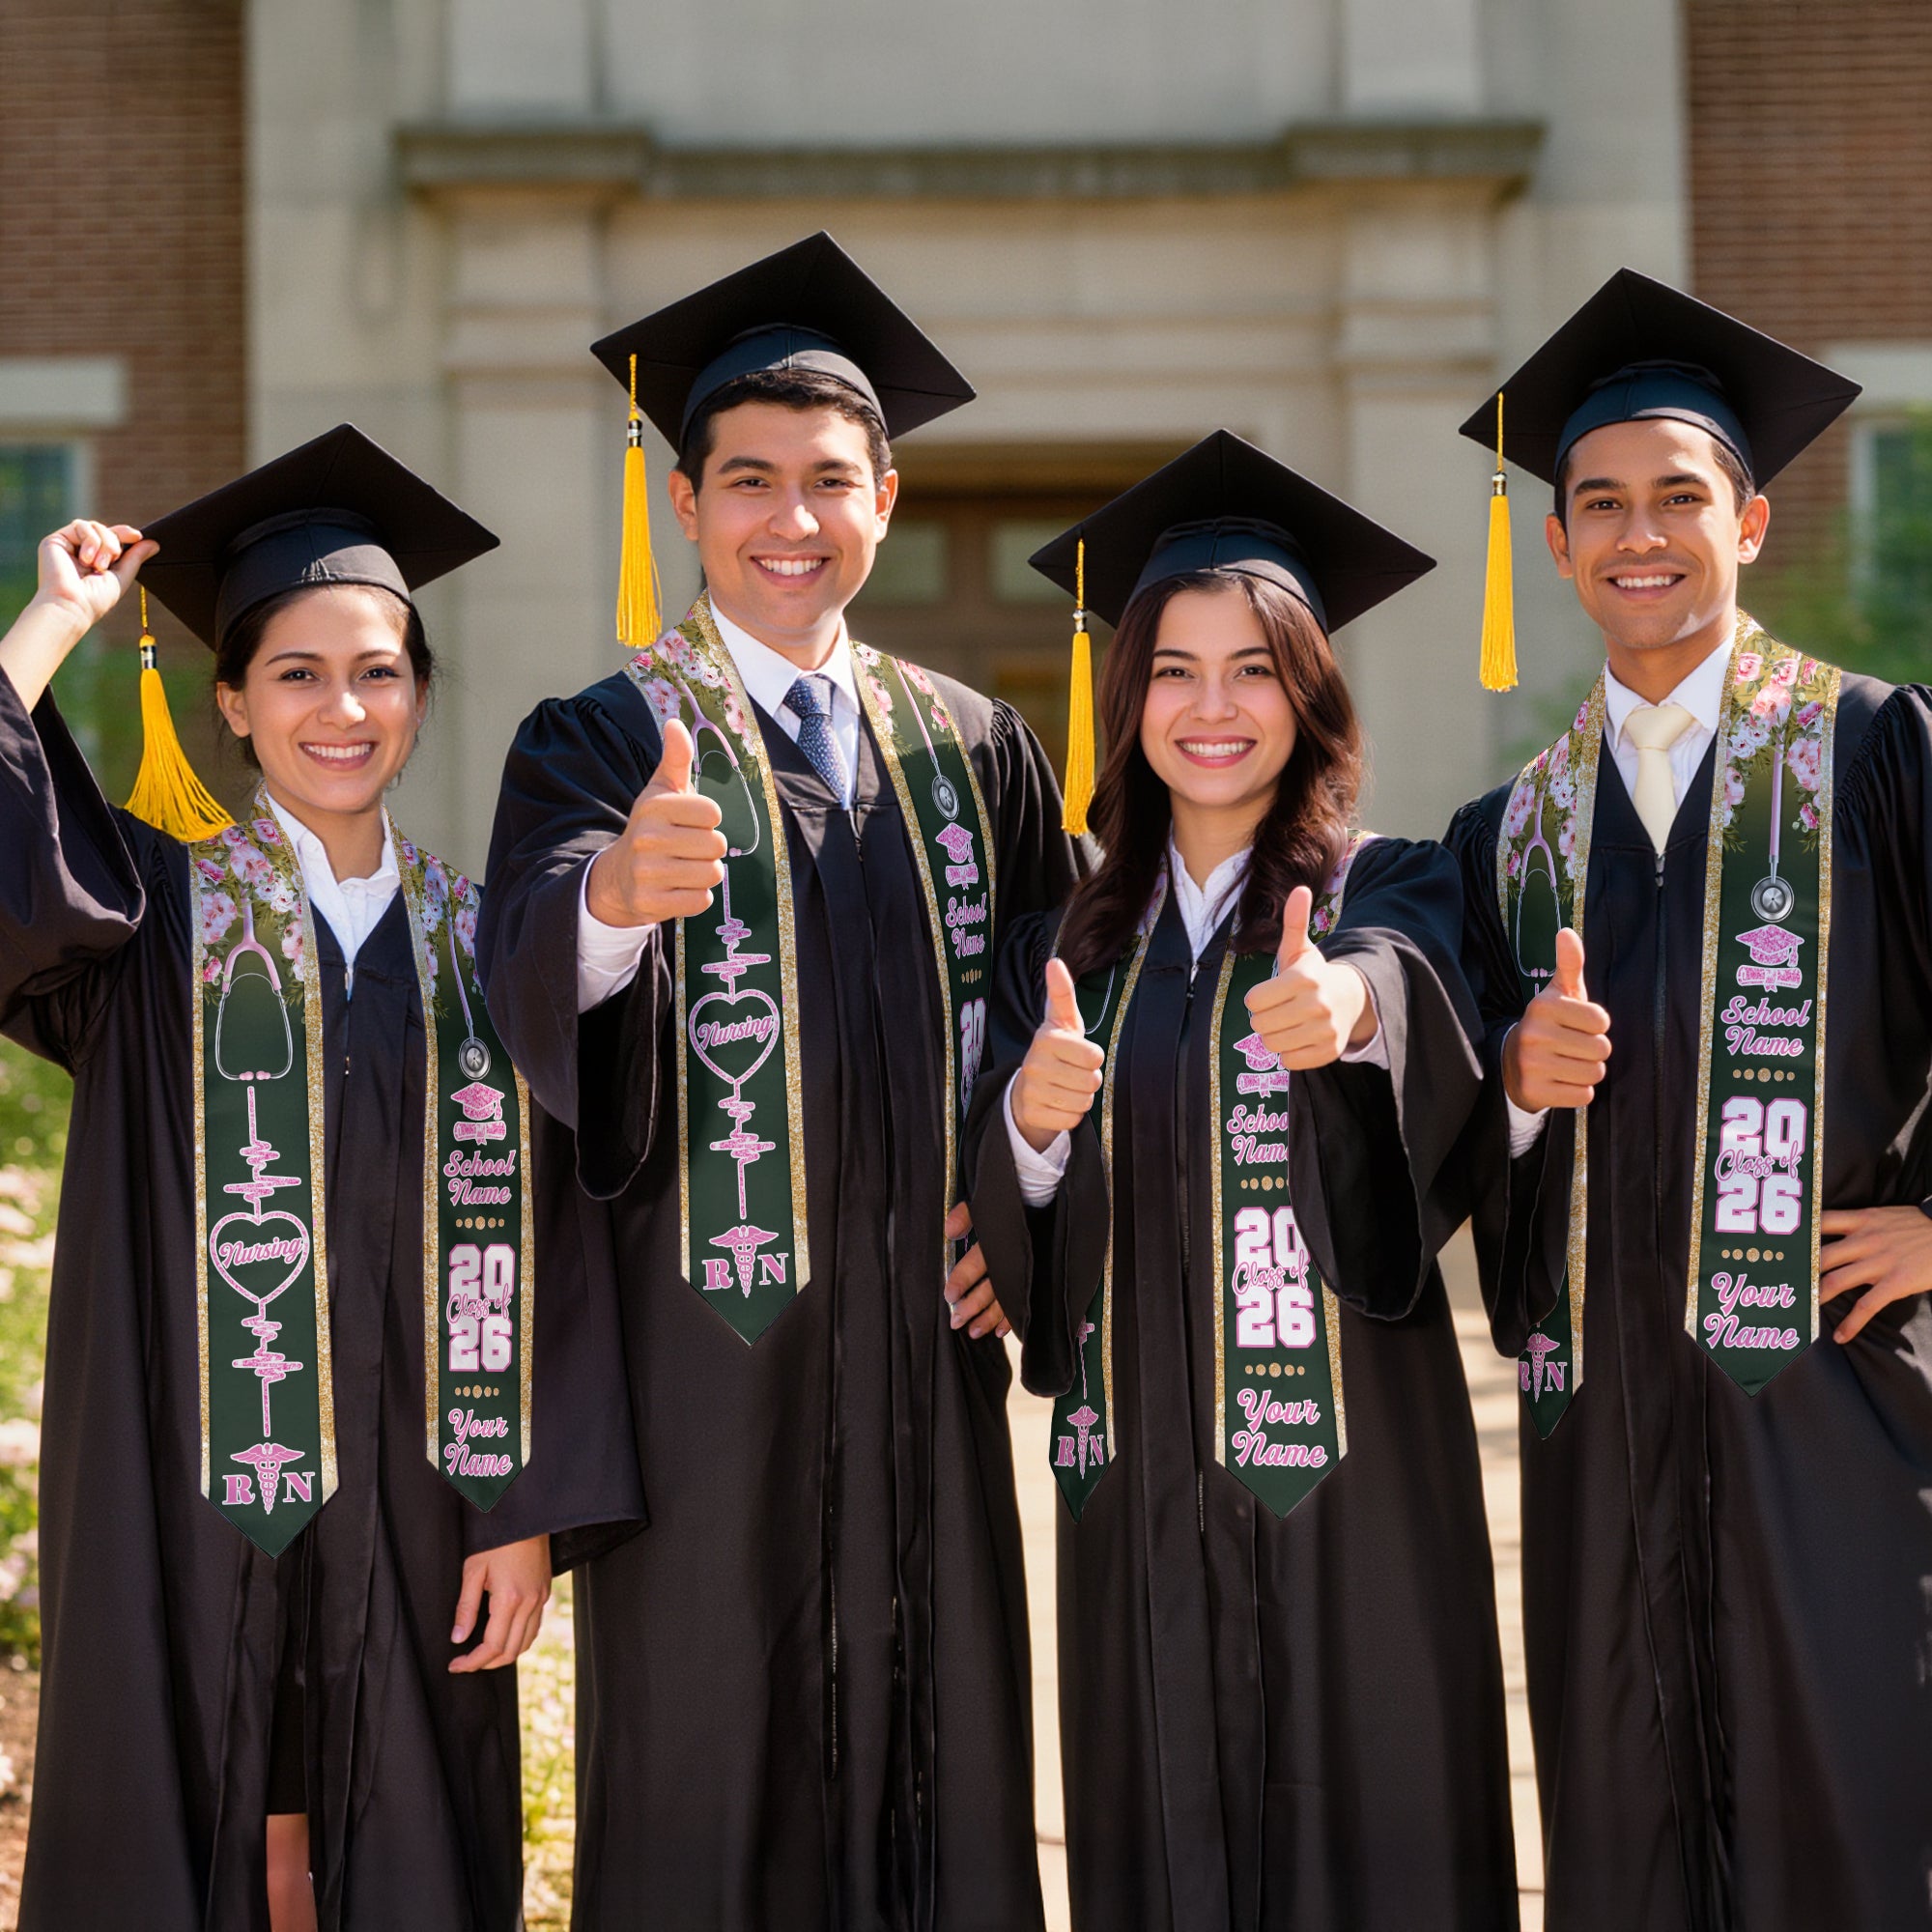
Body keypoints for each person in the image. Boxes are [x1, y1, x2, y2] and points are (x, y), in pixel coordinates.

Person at [477, 232, 1082, 1931]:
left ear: (886, 497)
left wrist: (1023, 1207)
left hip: (924, 1363)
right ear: (686, 504)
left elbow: (1074, 1014)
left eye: (831, 480)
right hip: (707, 1370)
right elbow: (519, 967)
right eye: (749, 481)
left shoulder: (976, 747)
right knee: (709, 1777)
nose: (790, 519)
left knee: (942, 1762)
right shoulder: (597, 738)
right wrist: (608, 901)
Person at [0, 425, 641, 1931]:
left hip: (423, 1505)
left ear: (419, 694)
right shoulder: (148, 920)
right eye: (295, 673)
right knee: (189, 1807)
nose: (340, 708)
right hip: (180, 1483)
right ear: (230, 701)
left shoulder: (492, 947)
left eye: (378, 671)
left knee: (406, 1833)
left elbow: (557, 1242)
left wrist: (525, 1507)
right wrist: (51, 624)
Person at [964, 431, 1519, 1931]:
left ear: (1311, 693)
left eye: (1256, 668)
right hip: (1136, 1476)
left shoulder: (1389, 885)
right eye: (1175, 670)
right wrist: (1026, 1119)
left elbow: (1415, 994)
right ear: (1126, 696)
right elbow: (1011, 1218)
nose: (1214, 709)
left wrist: (1349, 1015)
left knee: (1378, 1837)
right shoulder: (1064, 946)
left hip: (1356, 1486)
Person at [1446, 269, 1932, 1931]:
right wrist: (1510, 1088)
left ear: (1753, 519)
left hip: (1835, 1402)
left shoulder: (1874, 753)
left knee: (1854, 1809)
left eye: (1678, 497)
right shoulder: (1506, 838)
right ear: (1561, 543)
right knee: (1624, 1825)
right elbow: (1443, 1141)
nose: (1637, 534)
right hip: (1602, 1431)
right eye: (1599, 505)